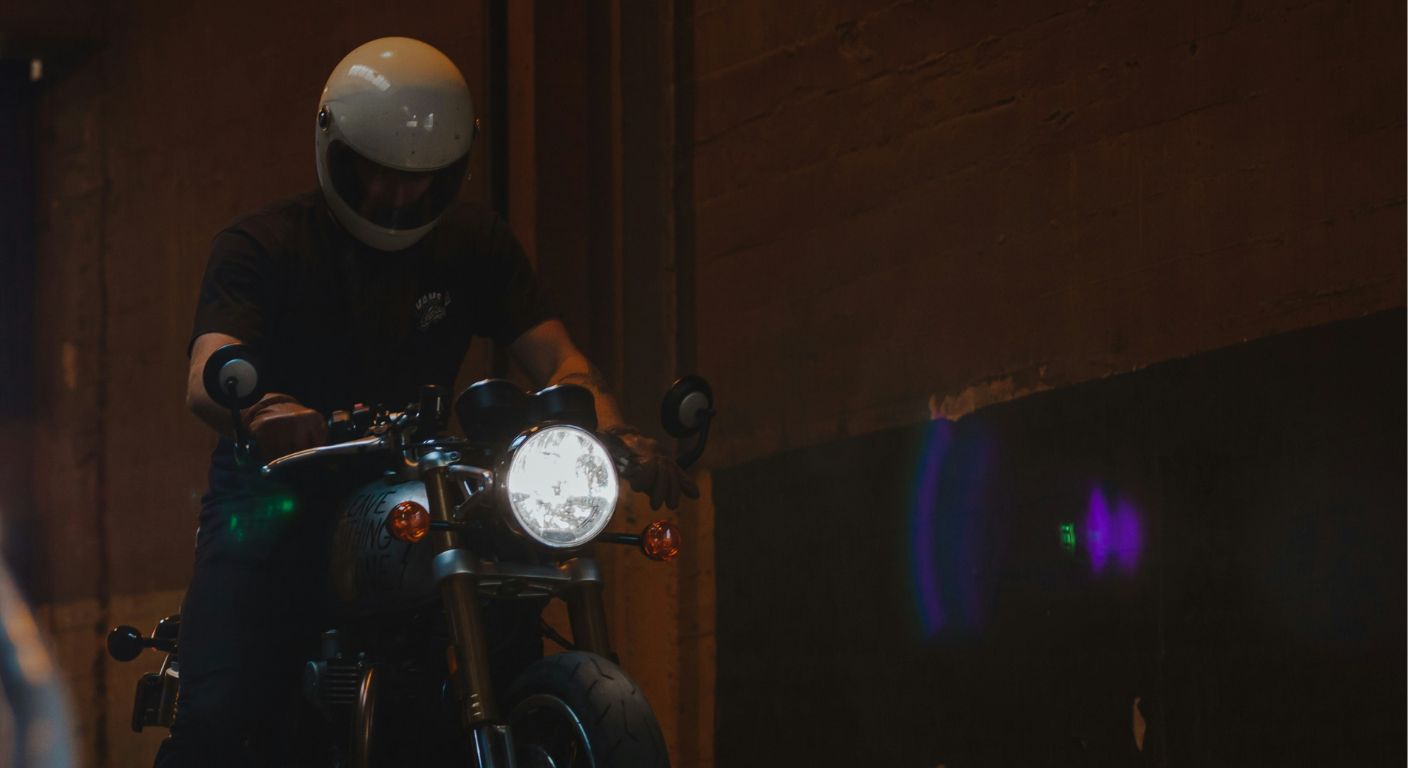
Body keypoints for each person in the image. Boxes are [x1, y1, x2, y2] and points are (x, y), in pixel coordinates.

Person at [154, 36, 695, 767]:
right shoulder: (263, 245)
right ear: (334, 150)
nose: (401, 195)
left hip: (415, 476)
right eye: (377, 175)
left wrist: (616, 430)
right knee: (219, 714)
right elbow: (207, 366)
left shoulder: (474, 243)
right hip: (277, 487)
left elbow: (559, 360)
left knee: (512, 578)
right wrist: (258, 411)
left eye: (424, 179)